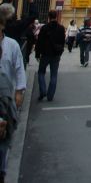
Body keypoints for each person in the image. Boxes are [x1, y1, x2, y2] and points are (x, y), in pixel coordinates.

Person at [0, 13, 26, 183]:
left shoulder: (12, 45)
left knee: (4, 136)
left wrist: (19, 91)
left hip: (6, 97)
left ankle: (1, 170)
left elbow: (19, 68)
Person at [34, 10, 66, 101]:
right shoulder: (61, 28)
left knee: (41, 72)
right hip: (56, 54)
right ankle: (50, 96)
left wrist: (37, 53)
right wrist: (60, 52)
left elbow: (39, 42)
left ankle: (43, 90)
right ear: (56, 16)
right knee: (54, 74)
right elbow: (63, 41)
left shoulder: (45, 28)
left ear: (49, 17)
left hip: (45, 53)